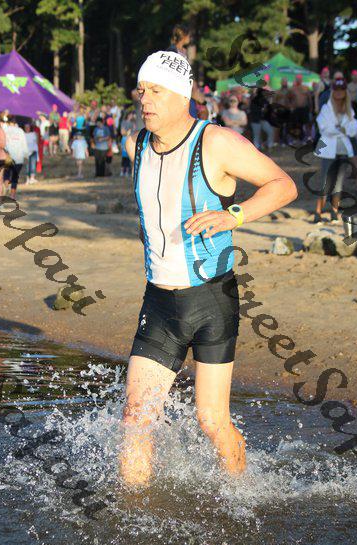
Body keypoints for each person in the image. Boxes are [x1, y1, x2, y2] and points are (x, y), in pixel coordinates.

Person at [119, 50, 297, 487]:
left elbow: (283, 185)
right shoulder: (135, 144)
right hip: (159, 301)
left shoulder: (215, 143)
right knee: (136, 418)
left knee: (211, 420)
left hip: (211, 300)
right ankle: (132, 515)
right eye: (142, 90)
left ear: (184, 96)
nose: (145, 99)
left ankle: (243, 495)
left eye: (156, 91)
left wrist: (233, 215)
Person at [313, 79, 357, 223]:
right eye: (337, 90)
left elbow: (353, 129)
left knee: (338, 184)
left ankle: (334, 212)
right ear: (333, 91)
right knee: (325, 182)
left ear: (345, 92)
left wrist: (341, 129)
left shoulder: (349, 109)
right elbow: (324, 128)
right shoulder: (326, 108)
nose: (339, 93)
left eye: (341, 90)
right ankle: (318, 213)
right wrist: (341, 130)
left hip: (343, 150)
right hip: (328, 150)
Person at [167, 23, 207, 119]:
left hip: (188, 87)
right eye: (189, 35)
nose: (190, 38)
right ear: (184, 36)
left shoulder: (184, 51)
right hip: (179, 89)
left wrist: (194, 86)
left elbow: (188, 71)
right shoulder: (172, 51)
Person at [2, 115, 28, 199]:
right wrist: (26, 155)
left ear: (8, 122)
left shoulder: (4, 130)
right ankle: (12, 195)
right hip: (19, 156)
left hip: (8, 156)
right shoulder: (20, 130)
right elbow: (24, 144)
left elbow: (2, 144)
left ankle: (6, 186)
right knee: (15, 176)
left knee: (6, 173)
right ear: (15, 122)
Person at [289, 74, 312, 142]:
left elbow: (309, 99)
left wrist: (311, 108)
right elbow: (289, 99)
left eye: (300, 79)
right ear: (295, 80)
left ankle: (309, 137)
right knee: (297, 124)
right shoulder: (292, 89)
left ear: (302, 80)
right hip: (296, 109)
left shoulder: (306, 88)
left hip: (304, 109)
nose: (298, 80)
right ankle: (297, 139)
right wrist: (291, 107)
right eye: (297, 79)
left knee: (307, 123)